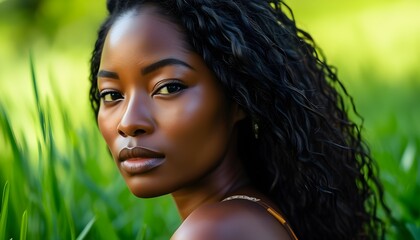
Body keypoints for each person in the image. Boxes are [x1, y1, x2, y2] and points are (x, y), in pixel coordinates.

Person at [89, 0, 389, 239]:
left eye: (169, 87)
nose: (128, 122)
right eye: (112, 95)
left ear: (238, 97)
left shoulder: (212, 232)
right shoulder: (255, 216)